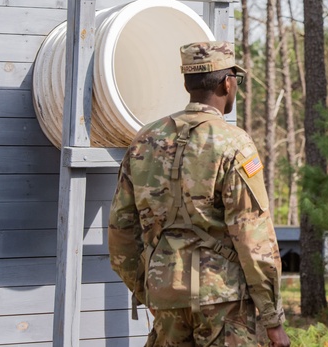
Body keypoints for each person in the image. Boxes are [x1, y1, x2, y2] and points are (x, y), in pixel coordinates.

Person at [109, 41, 291, 347]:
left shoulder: (145, 140)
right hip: (222, 299)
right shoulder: (233, 144)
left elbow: (121, 233)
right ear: (228, 83)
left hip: (165, 294)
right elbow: (253, 239)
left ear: (187, 83)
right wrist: (273, 319)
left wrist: (149, 287)